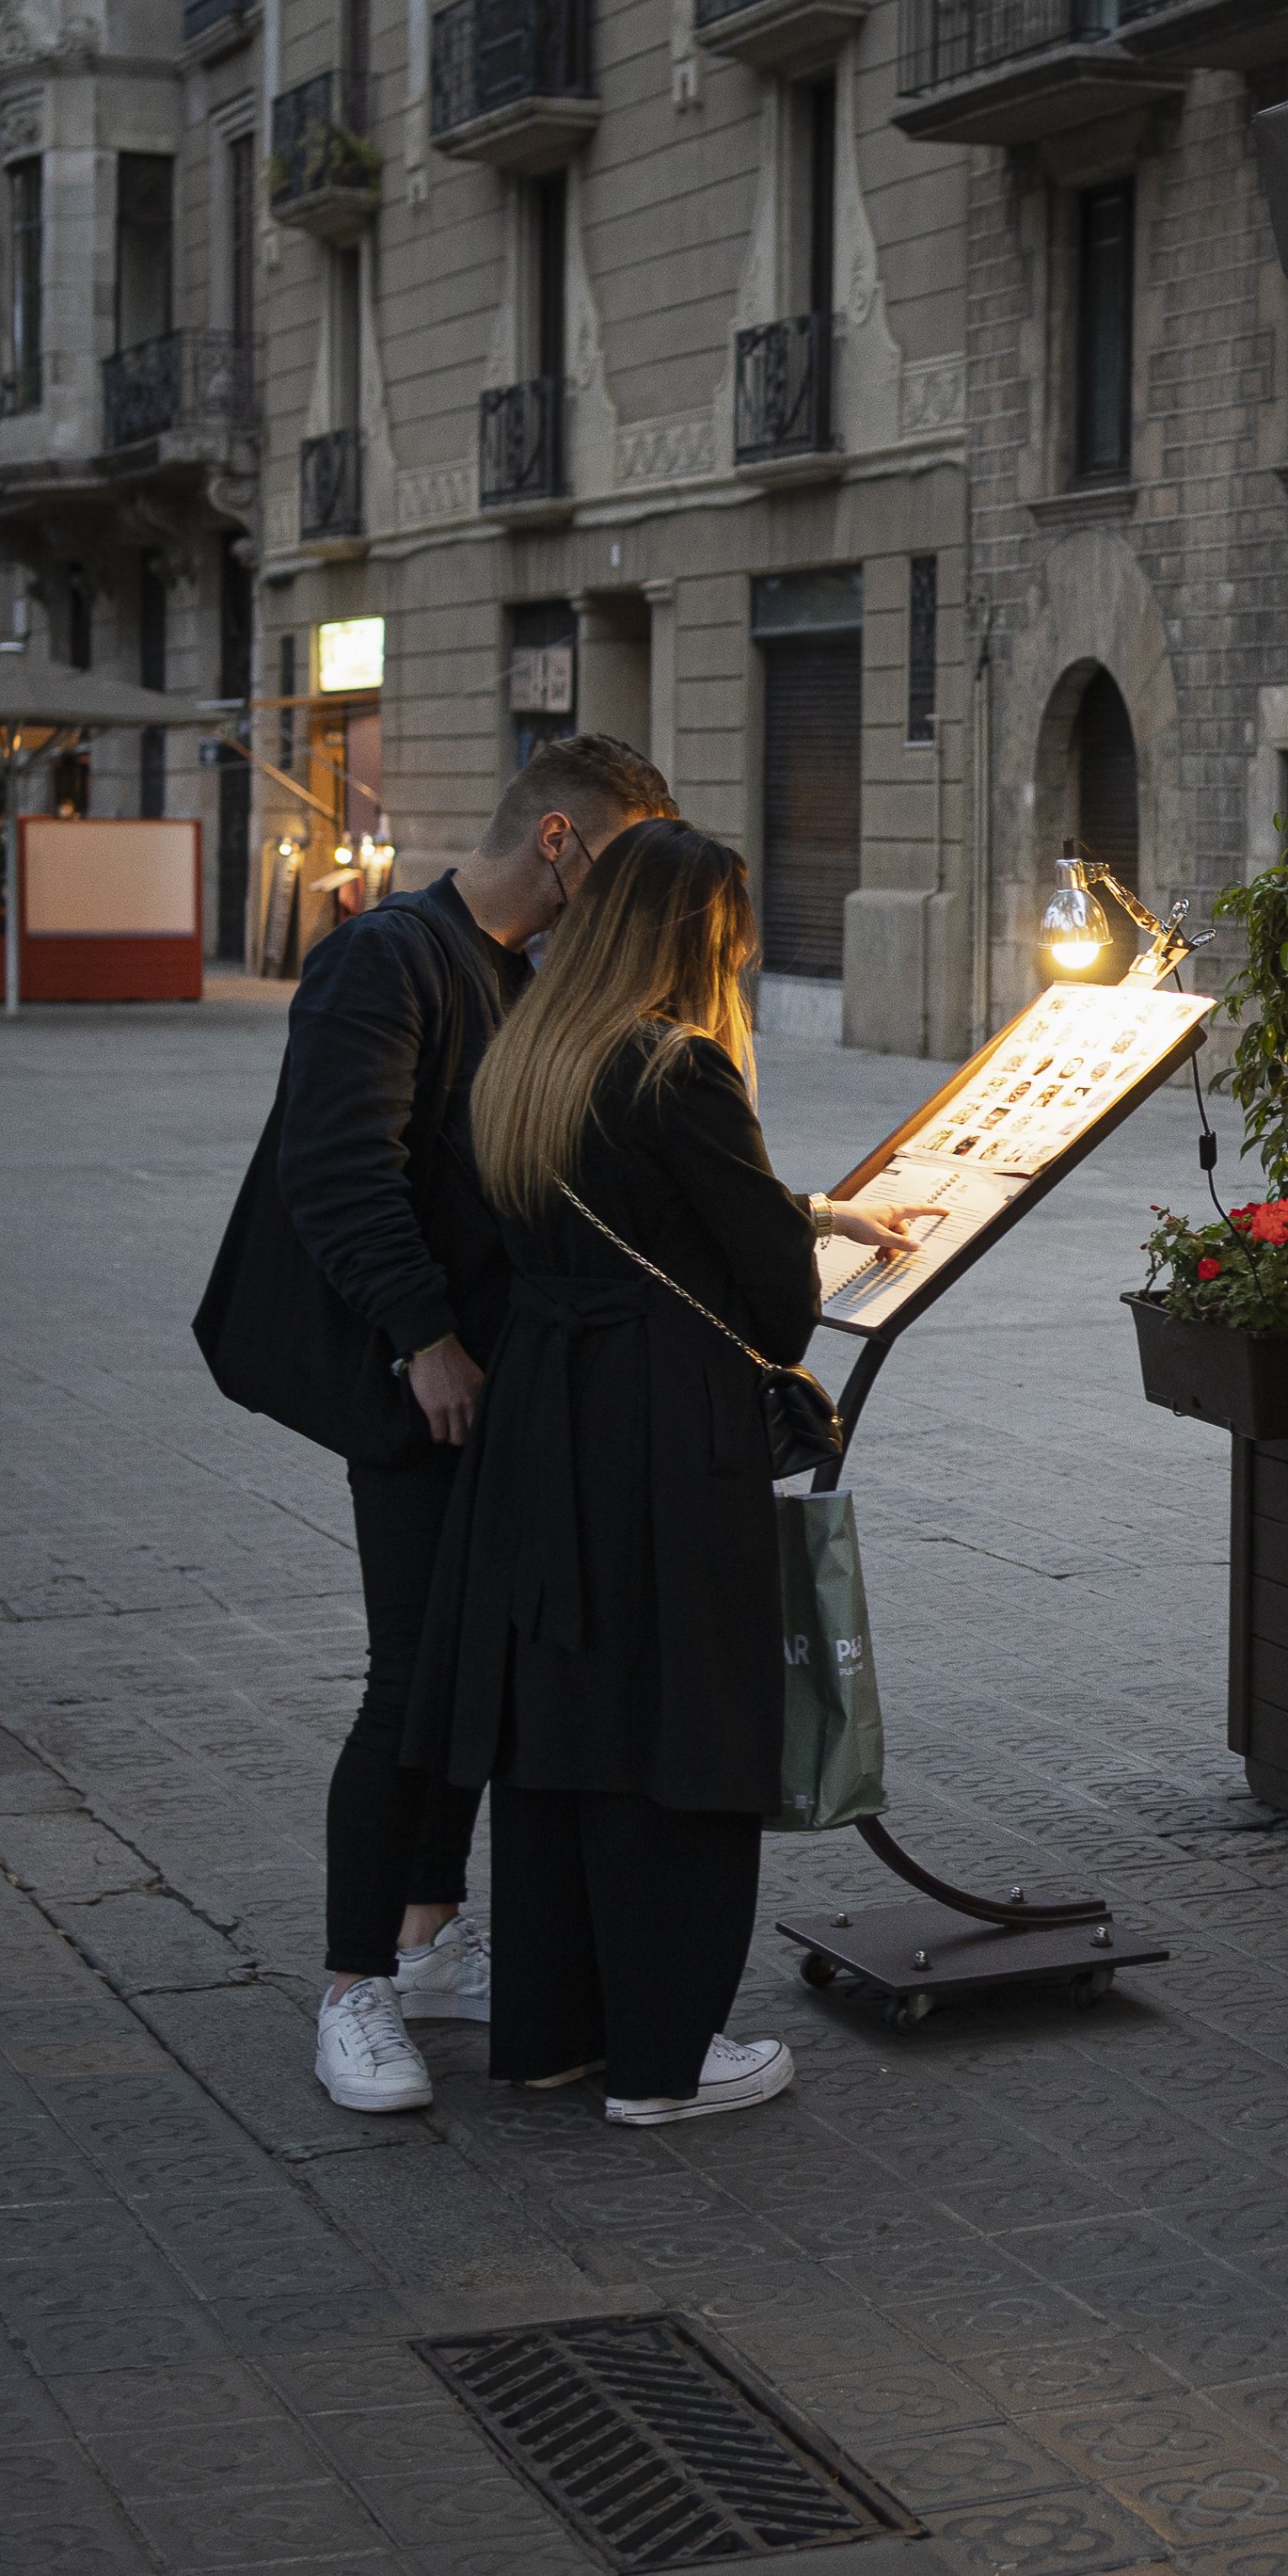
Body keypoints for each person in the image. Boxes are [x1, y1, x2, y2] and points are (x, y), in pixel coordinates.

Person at [406, 818, 937, 2124]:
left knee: (564, 1730)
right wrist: (794, 1236)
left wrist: (807, 1204)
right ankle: (666, 2056)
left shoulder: (528, 1051)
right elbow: (767, 1295)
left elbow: (634, 1201)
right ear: (695, 933)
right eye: (733, 929)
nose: (745, 953)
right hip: (657, 1434)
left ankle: (552, 2034)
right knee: (685, 1727)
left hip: (542, 1419)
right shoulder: (677, 1064)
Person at [192, 734, 676, 2118]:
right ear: (567, 843)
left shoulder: (519, 974)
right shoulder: (387, 956)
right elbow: (336, 1164)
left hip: (489, 1385)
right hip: (418, 1386)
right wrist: (425, 1340)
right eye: (626, 859)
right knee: (410, 1682)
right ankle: (351, 1991)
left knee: (474, 1680)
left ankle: (423, 1941)